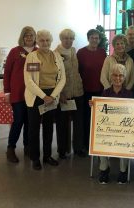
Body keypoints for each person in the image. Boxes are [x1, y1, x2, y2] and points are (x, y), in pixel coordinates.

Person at [24, 30, 66, 170]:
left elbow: (62, 78)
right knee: (34, 128)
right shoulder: (32, 56)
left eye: (48, 40)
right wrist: (44, 96)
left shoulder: (56, 56)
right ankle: (35, 158)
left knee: (48, 127)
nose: (45, 43)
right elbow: (29, 80)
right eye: (42, 40)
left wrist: (53, 96)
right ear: (37, 41)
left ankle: (47, 156)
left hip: (52, 95)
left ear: (51, 41)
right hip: (36, 96)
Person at [90, 64, 133, 184]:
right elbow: (101, 111)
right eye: (115, 75)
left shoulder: (129, 94)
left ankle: (123, 170)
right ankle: (104, 169)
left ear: (124, 78)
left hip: (124, 129)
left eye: (120, 76)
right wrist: (94, 105)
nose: (117, 78)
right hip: (108, 128)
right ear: (111, 77)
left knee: (125, 140)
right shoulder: (105, 92)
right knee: (100, 138)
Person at [3, 26, 38, 163]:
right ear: (22, 37)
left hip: (33, 93)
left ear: (35, 37)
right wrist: (7, 92)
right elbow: (7, 73)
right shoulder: (14, 51)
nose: (29, 38)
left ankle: (27, 147)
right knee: (18, 121)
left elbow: (37, 72)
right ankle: (10, 148)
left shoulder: (37, 52)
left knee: (30, 122)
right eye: (26, 35)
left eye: (31, 35)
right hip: (17, 93)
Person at [54, 29, 84, 159]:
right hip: (64, 94)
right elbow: (55, 76)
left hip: (77, 91)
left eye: (71, 38)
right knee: (62, 123)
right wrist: (60, 93)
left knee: (78, 122)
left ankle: (77, 148)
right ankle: (62, 150)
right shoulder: (55, 53)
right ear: (61, 39)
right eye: (66, 38)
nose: (69, 41)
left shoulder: (73, 51)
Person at [77, 29, 106, 155]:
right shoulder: (81, 53)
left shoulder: (102, 52)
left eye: (97, 38)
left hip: (100, 91)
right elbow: (77, 72)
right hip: (86, 91)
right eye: (92, 38)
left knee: (99, 119)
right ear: (88, 38)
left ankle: (98, 144)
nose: (95, 40)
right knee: (86, 119)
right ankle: (86, 144)